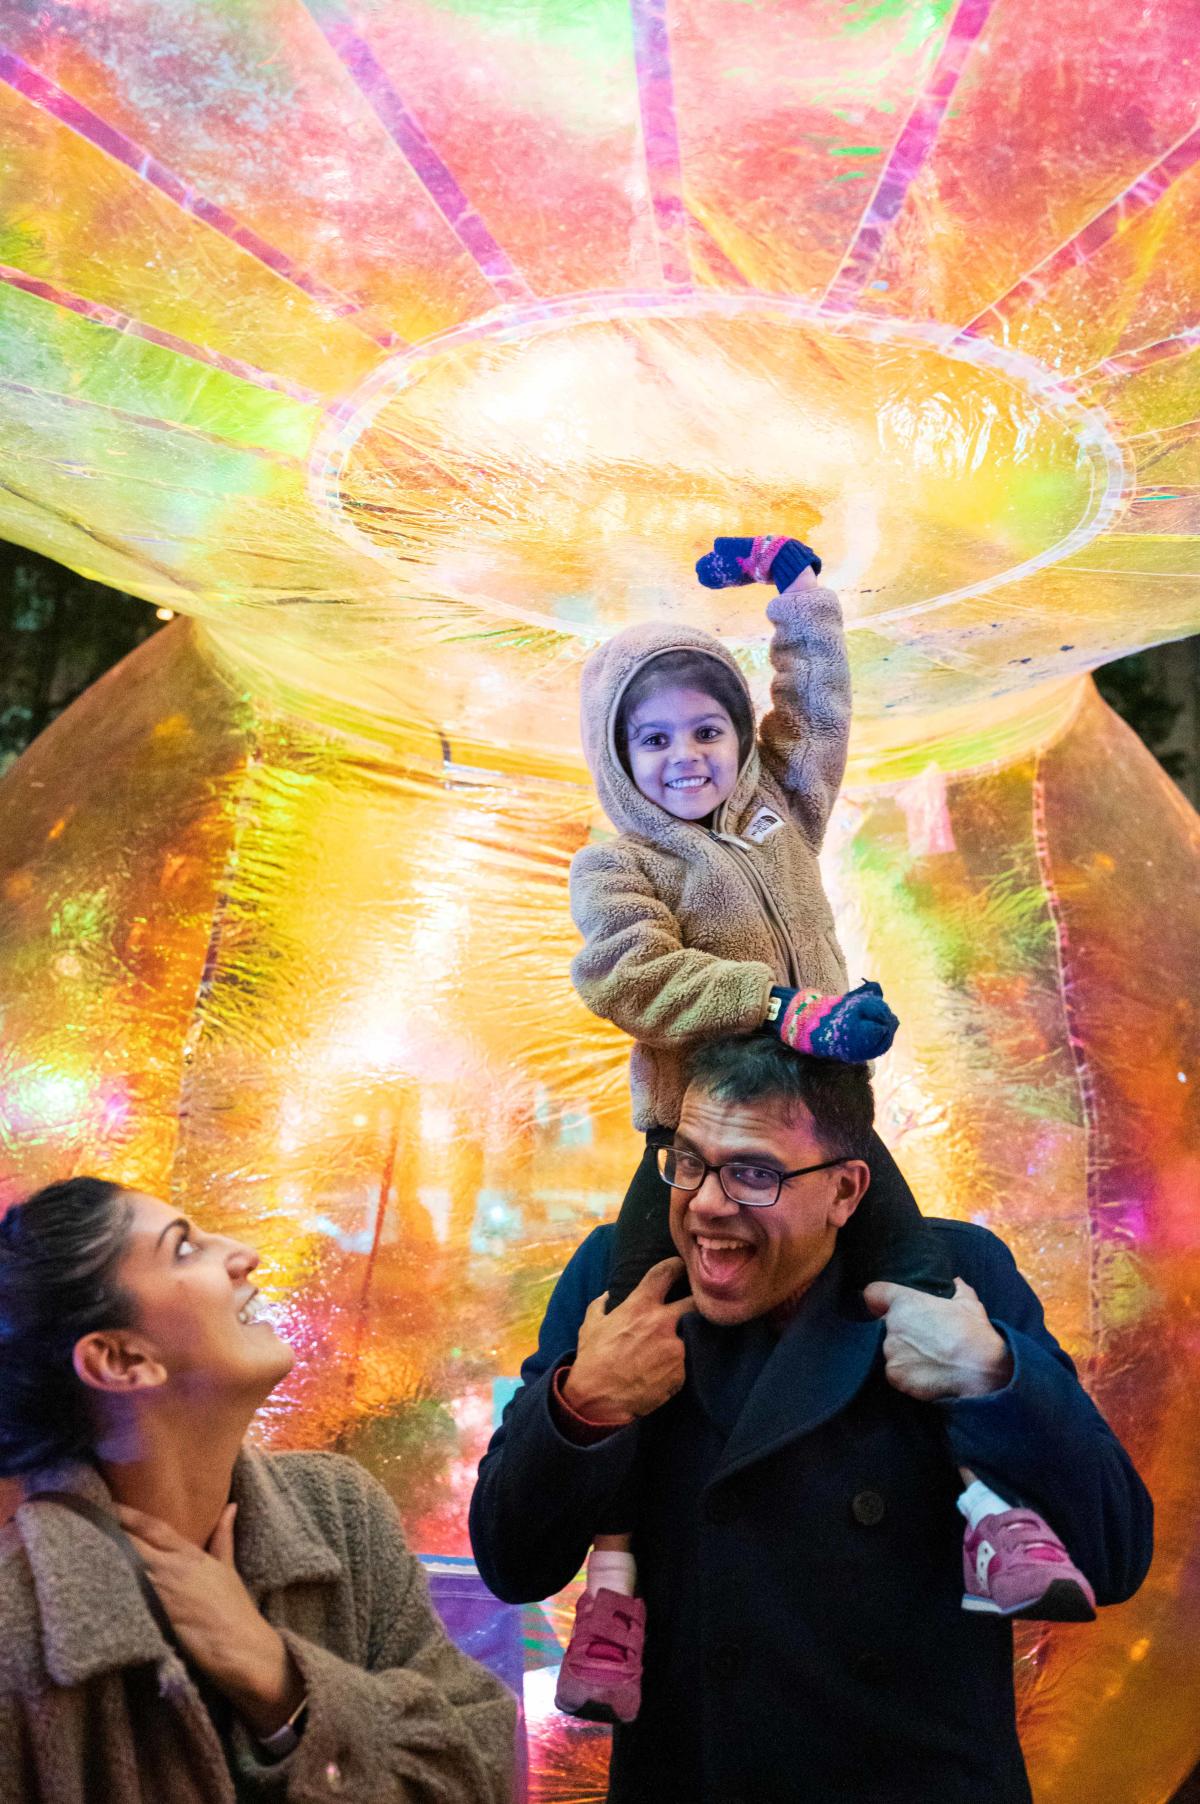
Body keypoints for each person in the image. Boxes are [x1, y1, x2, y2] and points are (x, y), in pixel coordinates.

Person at [556, 533, 1091, 1722]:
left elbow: (818, 715)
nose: (688, 756)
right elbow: (627, 978)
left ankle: (991, 1513)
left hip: (821, 1125)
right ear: (618, 756)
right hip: (692, 1136)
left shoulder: (772, 816)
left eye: (707, 729)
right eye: (656, 739)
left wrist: (800, 597)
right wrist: (780, 1004)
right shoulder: (622, 860)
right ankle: (612, 1588)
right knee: (640, 1321)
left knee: (918, 1277)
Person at [469, 1036, 1153, 1803]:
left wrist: (994, 1377)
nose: (706, 1204)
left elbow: (1114, 1552)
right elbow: (511, 1559)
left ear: (847, 1191)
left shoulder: (958, 1276)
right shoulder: (618, 1279)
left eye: (754, 1173)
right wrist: (583, 1403)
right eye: (688, 1160)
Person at [0, 1176, 516, 1804]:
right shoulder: (20, 1625)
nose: (246, 1254)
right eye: (184, 1249)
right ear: (120, 1360)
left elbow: (483, 1762)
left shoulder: (338, 1513)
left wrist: (281, 1682)